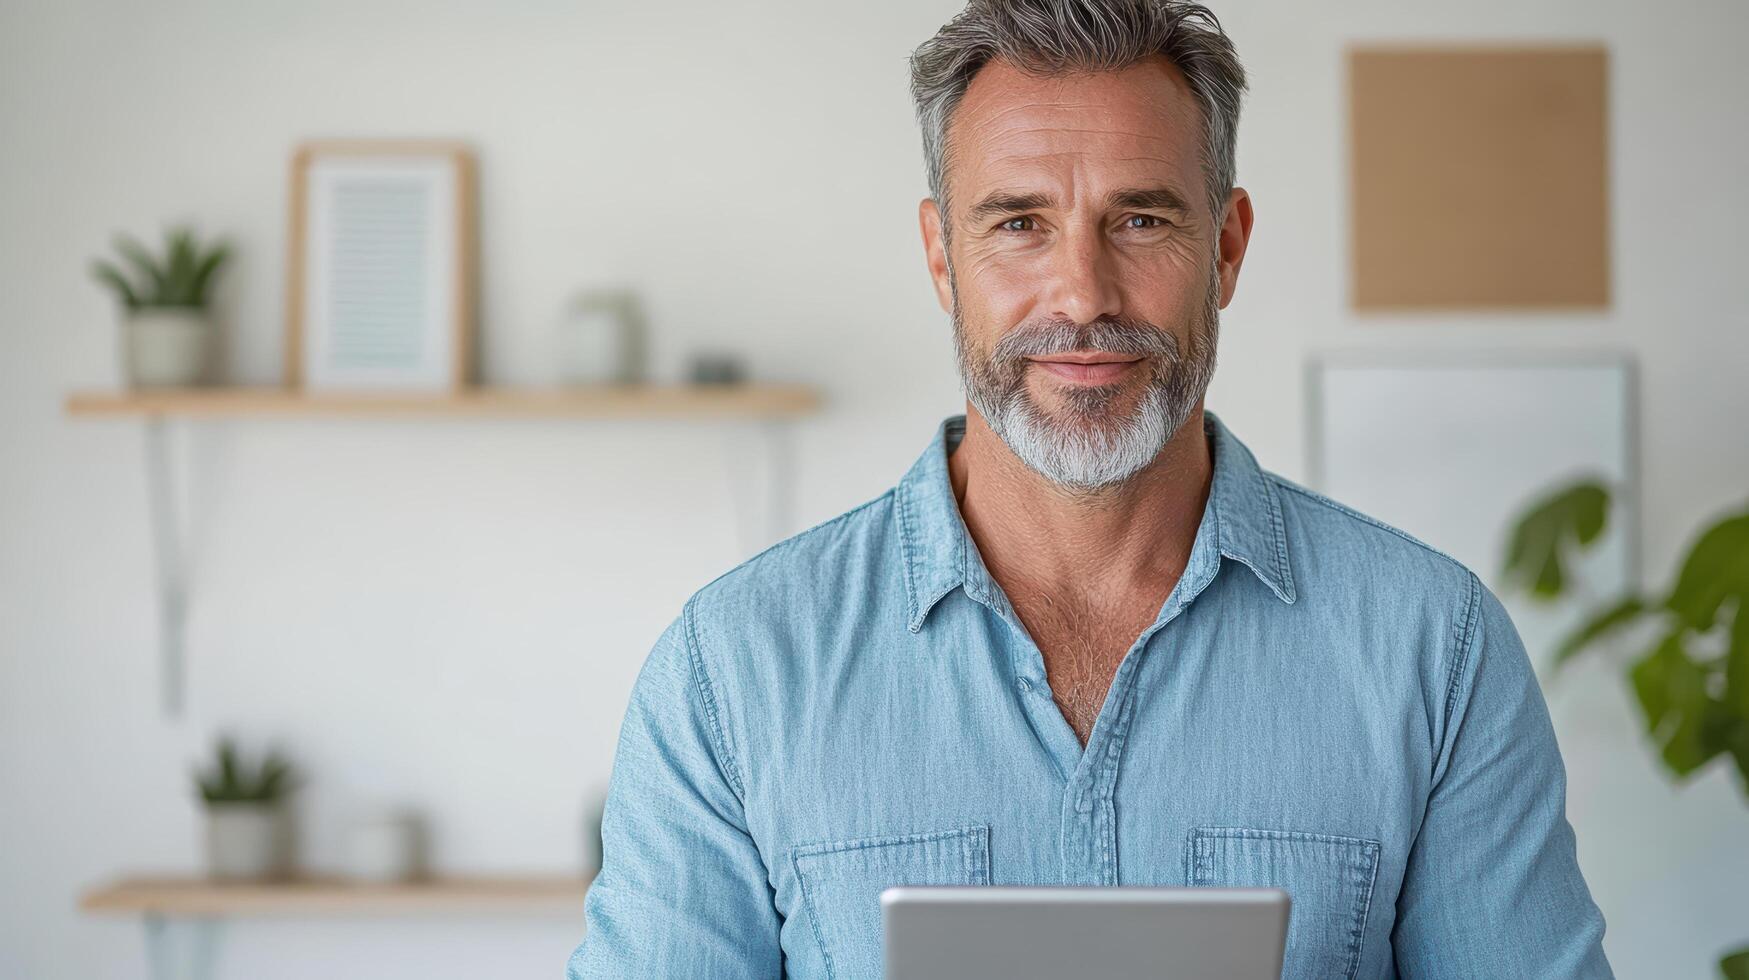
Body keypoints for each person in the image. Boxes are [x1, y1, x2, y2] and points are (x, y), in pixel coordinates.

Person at [567, 0, 1612, 976]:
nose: (1082, 294)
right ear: (943, 257)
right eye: (1018, 223)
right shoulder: (734, 668)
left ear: (1228, 247)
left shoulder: (1435, 645)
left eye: (1142, 221)